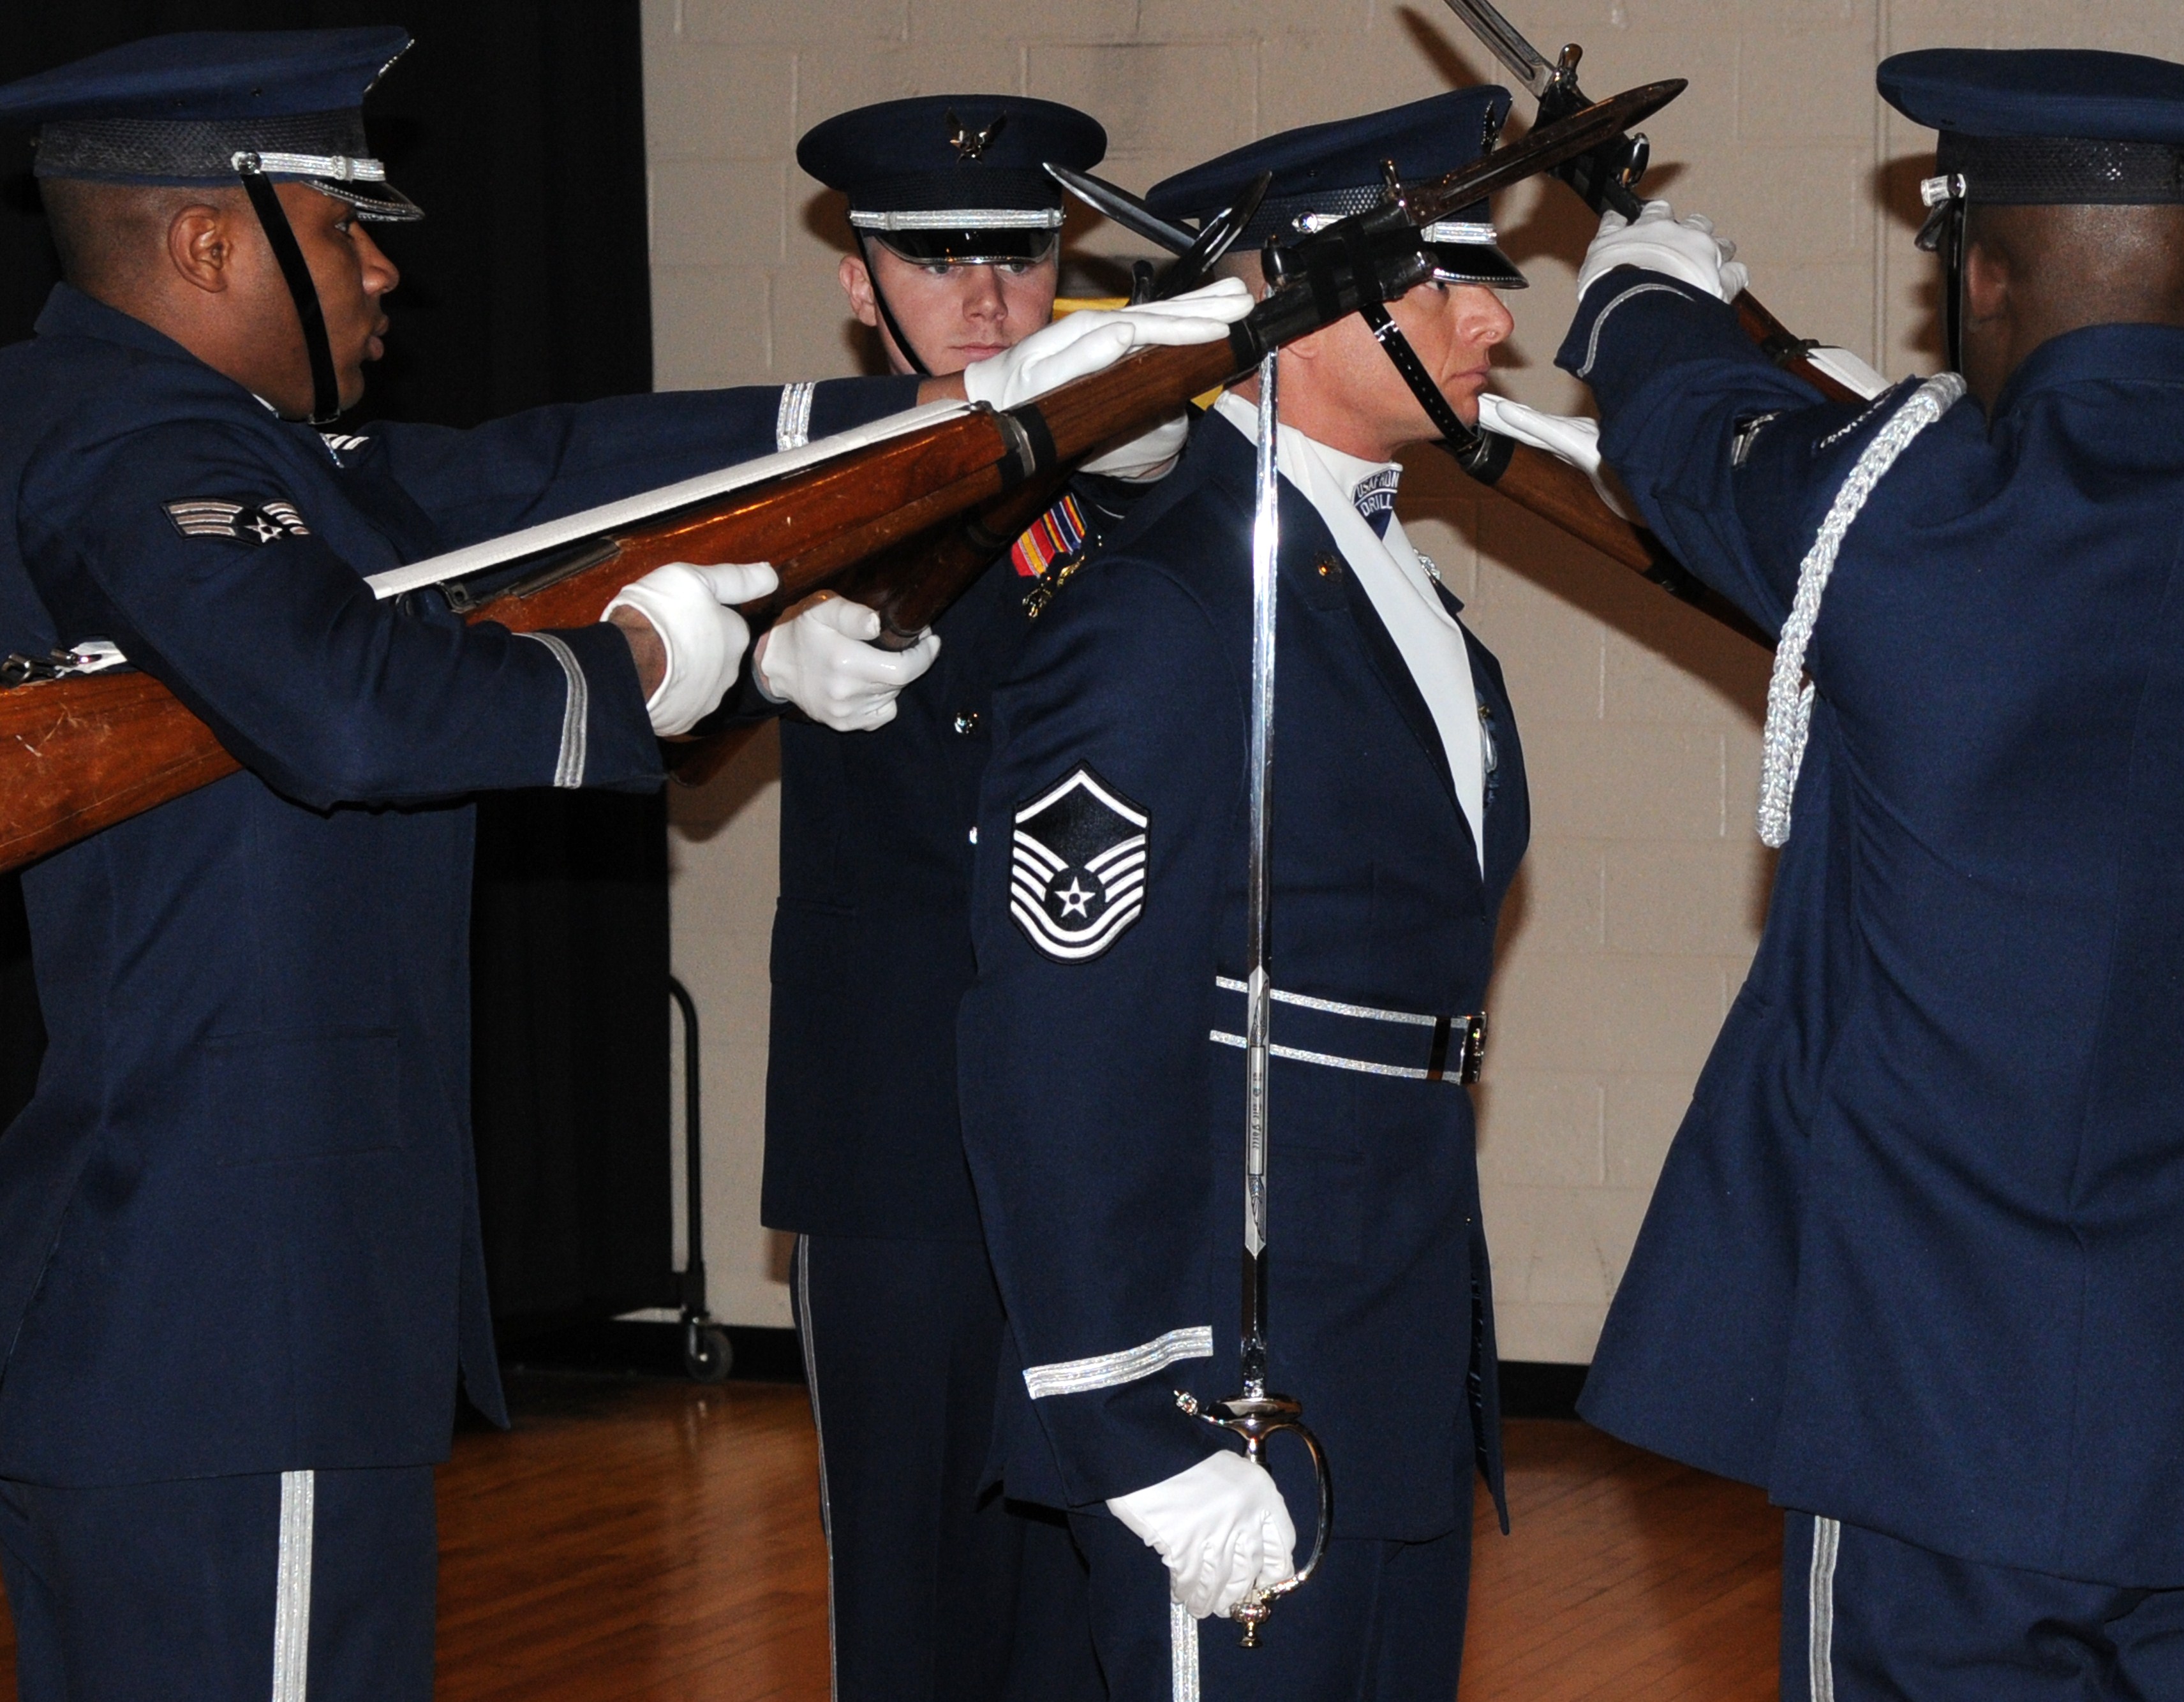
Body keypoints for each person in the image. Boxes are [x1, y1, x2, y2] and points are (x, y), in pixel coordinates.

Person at [0, 29, 1240, 1699]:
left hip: (237, 1294)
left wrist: (954, 411)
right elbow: (345, 712)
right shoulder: (149, 449)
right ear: (211, 242)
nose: (382, 271)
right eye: (343, 225)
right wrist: (634, 673)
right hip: (227, 1299)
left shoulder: (211, 441)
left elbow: (538, 469)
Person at [1566, 48, 2184, 1700]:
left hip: (1925, 1395)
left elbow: (1702, 450)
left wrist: (1642, 291)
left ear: (1978, 267)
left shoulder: (1909, 505)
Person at [955, 86, 1529, 1700]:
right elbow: (1060, 1039)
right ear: (1291, 297)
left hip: (1387, 1347)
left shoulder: (1400, 591)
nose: (1490, 319)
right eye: (1436, 283)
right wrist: (1130, 1419)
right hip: (1228, 1371)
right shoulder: (1165, 616)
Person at [752, 92, 1244, 1701]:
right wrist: (752, 655)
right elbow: (636, 677)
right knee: (902, 1572)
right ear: (861, 280)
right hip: (890, 1113)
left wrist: (1181, 464)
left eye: (1019, 254)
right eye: (936, 256)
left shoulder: (1142, 482)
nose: (985, 295)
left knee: (1081, 1562)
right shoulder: (794, 486)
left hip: (1093, 1122)